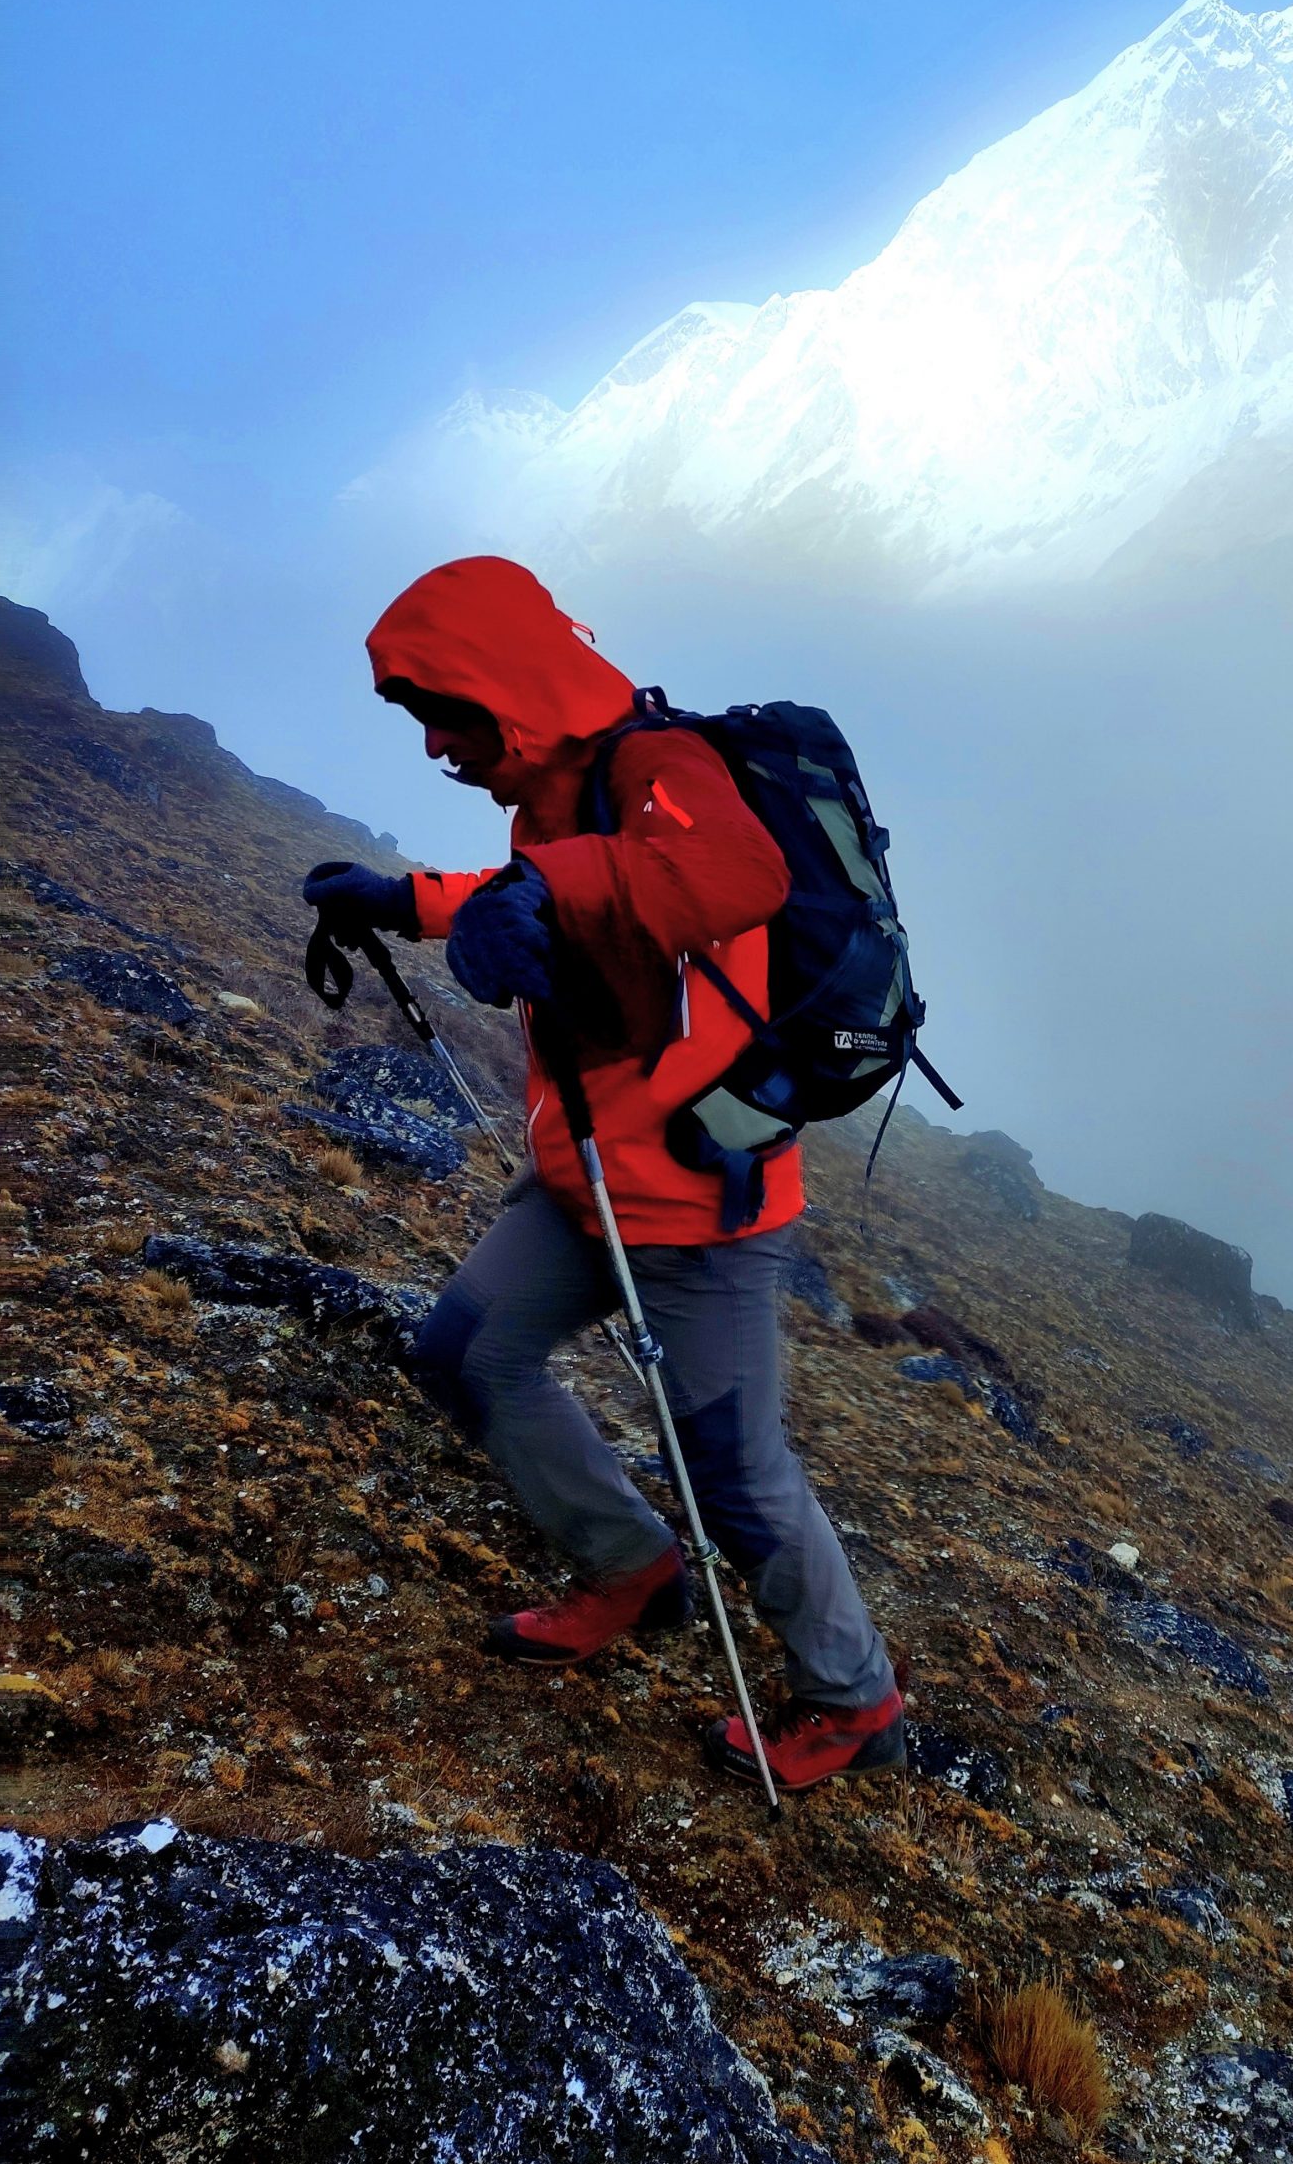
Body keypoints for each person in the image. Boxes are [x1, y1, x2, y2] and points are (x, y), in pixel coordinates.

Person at [301, 554, 904, 1792]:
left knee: (731, 1471)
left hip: (695, 1202)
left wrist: (541, 884)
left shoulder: (659, 766)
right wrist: (405, 899)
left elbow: (736, 874)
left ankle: (855, 1702)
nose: (435, 747)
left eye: (444, 716)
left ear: (507, 690)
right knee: (465, 1357)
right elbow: (552, 897)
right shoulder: (558, 791)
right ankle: (633, 1570)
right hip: (586, 1176)